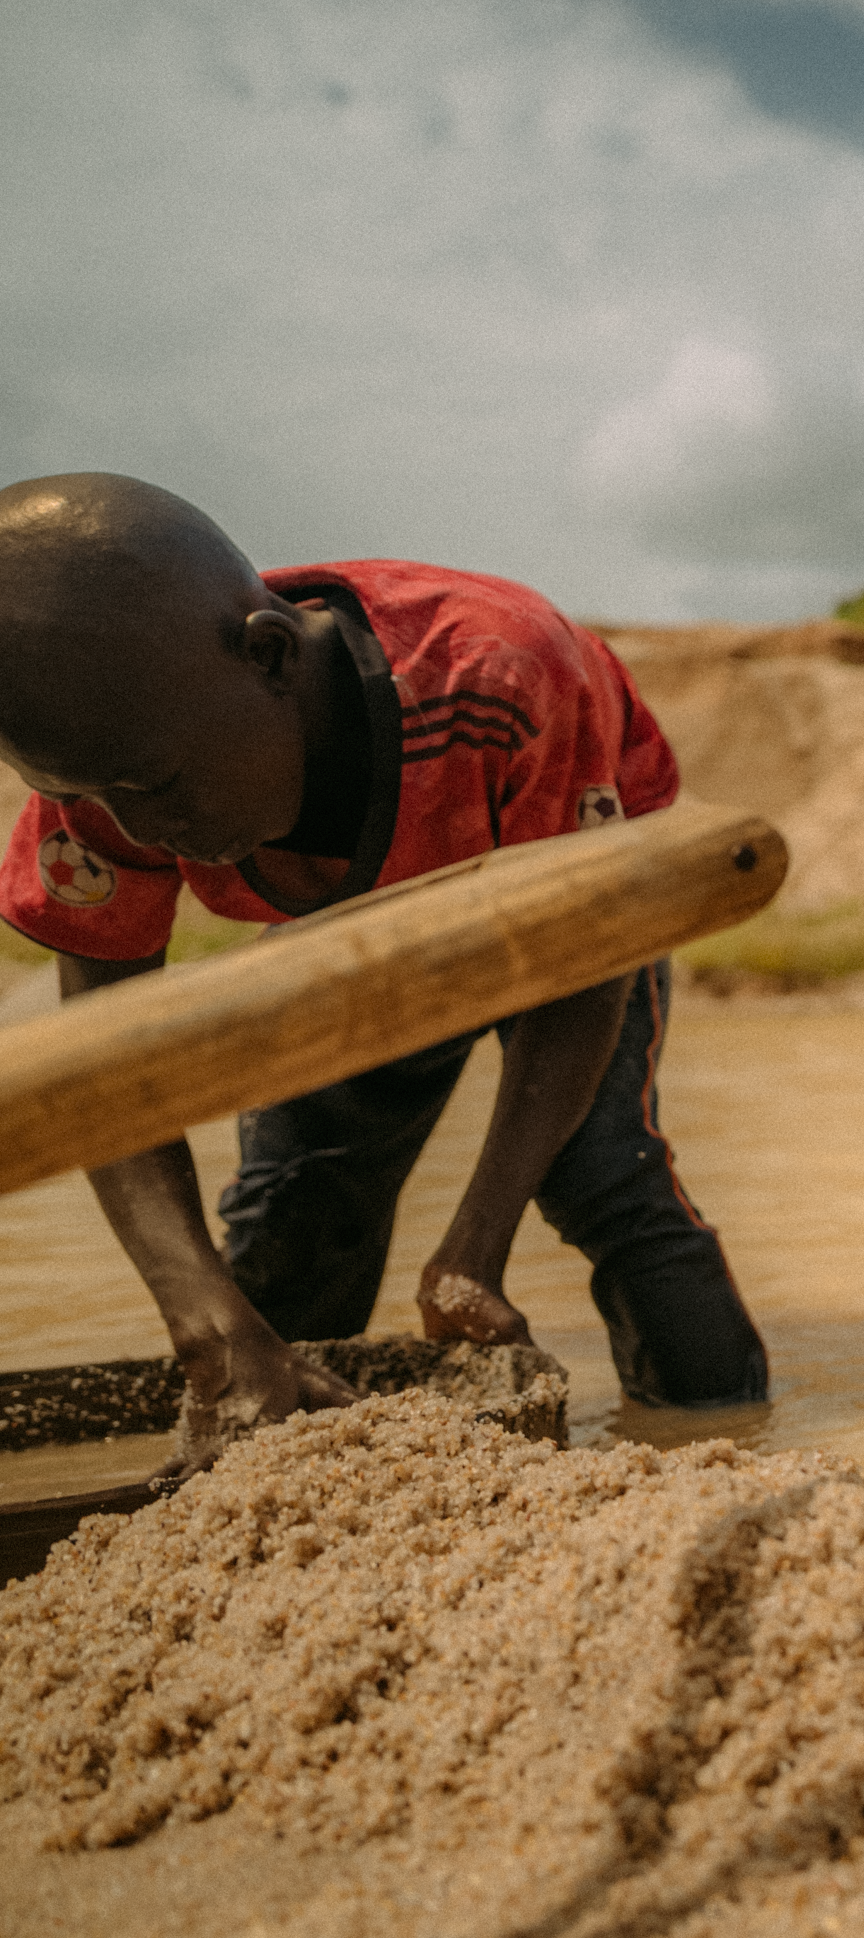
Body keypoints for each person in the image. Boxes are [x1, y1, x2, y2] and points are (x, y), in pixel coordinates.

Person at [0, 474, 768, 1452]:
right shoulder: (105, 761)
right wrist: (204, 1317)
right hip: (351, 930)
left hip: (577, 905)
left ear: (272, 657)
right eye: (97, 796)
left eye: (158, 787)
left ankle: (728, 1438)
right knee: (293, 1232)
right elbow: (104, 1070)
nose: (145, 829)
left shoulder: (502, 675)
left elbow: (584, 972)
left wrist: (475, 1250)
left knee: (601, 1172)